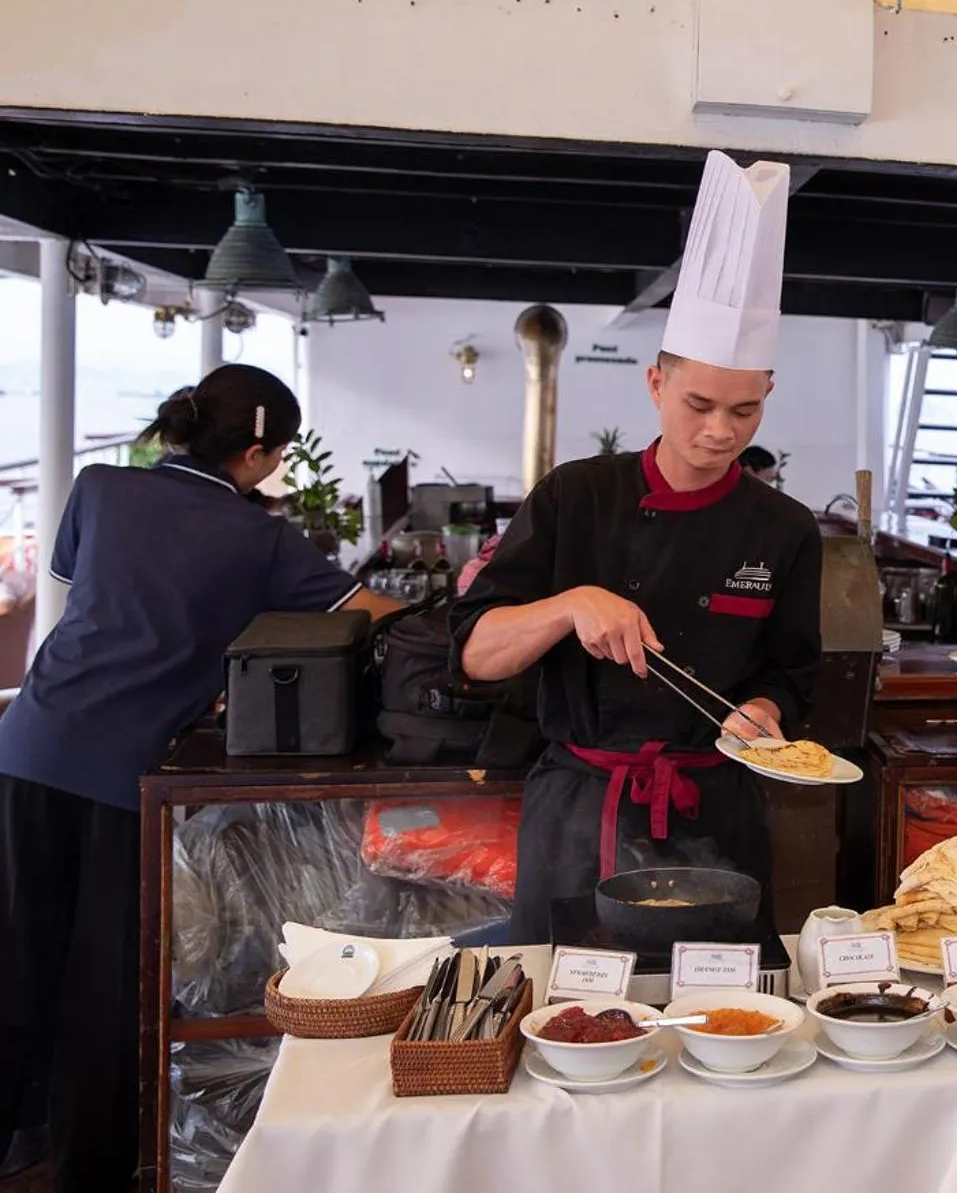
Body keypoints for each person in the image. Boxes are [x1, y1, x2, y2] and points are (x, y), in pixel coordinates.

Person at [0, 364, 403, 1193]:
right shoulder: (262, 539)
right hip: (126, 778)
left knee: (11, 958)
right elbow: (373, 612)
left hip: (28, 748)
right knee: (99, 991)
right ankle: (90, 1174)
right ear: (257, 454)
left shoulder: (100, 486)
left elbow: (85, 594)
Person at [453, 152, 822, 942]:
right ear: (656, 384)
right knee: (569, 1019)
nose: (721, 430)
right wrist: (570, 603)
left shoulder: (785, 530)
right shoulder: (574, 496)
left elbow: (793, 675)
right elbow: (479, 653)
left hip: (717, 808)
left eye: (745, 410)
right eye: (699, 403)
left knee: (724, 1022)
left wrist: (763, 710)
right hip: (581, 809)